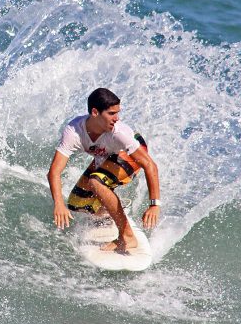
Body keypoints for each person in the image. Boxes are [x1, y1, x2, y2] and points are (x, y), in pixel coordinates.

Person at [47, 88, 161, 254]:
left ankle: (127, 238)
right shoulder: (74, 131)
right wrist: (58, 204)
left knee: (96, 181)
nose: (117, 118)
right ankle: (110, 209)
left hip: (131, 152)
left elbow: (150, 165)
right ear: (95, 112)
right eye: (111, 113)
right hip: (108, 154)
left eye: (117, 113)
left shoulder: (119, 132)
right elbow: (54, 172)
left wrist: (154, 205)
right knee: (78, 204)